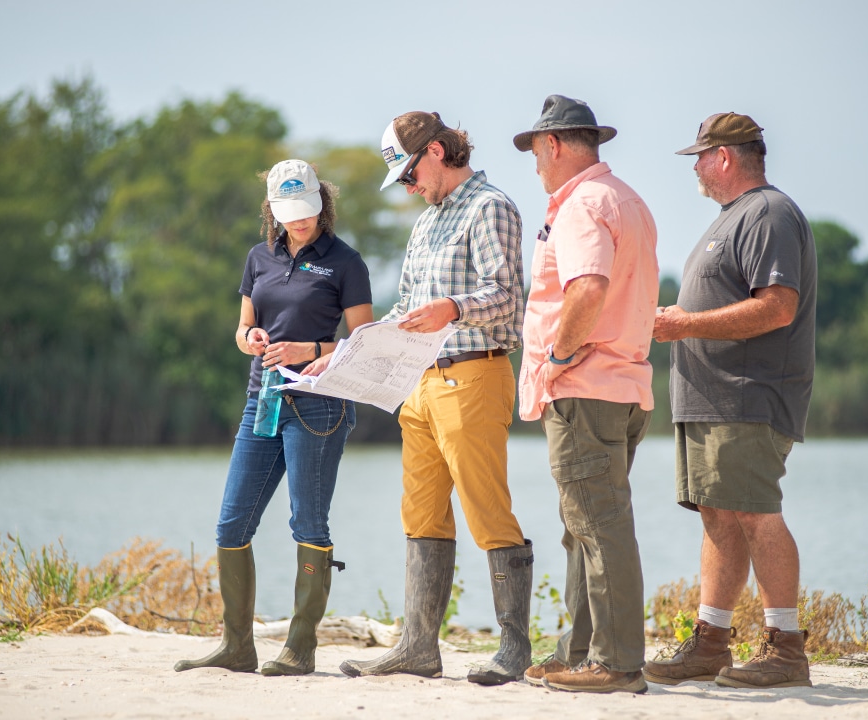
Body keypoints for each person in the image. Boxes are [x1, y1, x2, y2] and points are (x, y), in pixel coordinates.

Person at [338, 111, 533, 686]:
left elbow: (506, 296)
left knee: (486, 509)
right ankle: (418, 648)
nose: (407, 186)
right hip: (418, 385)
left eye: (408, 174)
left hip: (474, 376)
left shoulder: (491, 206)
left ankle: (515, 649)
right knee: (420, 513)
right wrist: (347, 353)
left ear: (437, 153)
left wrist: (453, 308)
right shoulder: (425, 224)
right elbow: (404, 308)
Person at [174, 159, 373, 677]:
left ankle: (300, 647)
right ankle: (237, 646)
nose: (299, 221)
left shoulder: (346, 262)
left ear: (321, 203)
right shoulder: (258, 257)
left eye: (306, 211)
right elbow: (242, 328)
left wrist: (309, 348)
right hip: (261, 402)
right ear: (273, 210)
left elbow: (365, 342)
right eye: (288, 213)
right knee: (231, 524)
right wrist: (252, 339)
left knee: (308, 522)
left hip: (319, 404)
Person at [647, 112, 817, 689]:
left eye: (699, 156)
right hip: (711, 401)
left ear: (723, 157)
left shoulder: (768, 213)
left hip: (747, 399)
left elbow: (778, 307)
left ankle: (786, 649)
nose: (694, 167)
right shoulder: (732, 218)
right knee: (720, 516)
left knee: (754, 512)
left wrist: (685, 323)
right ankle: (712, 644)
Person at [512, 95, 659, 695]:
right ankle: (580, 650)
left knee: (598, 526)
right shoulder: (629, 199)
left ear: (552, 145)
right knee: (586, 526)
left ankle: (617, 663)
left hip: (587, 386)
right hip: (624, 385)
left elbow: (589, 287)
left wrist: (561, 357)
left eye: (534, 153)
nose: (535, 166)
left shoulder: (579, 204)